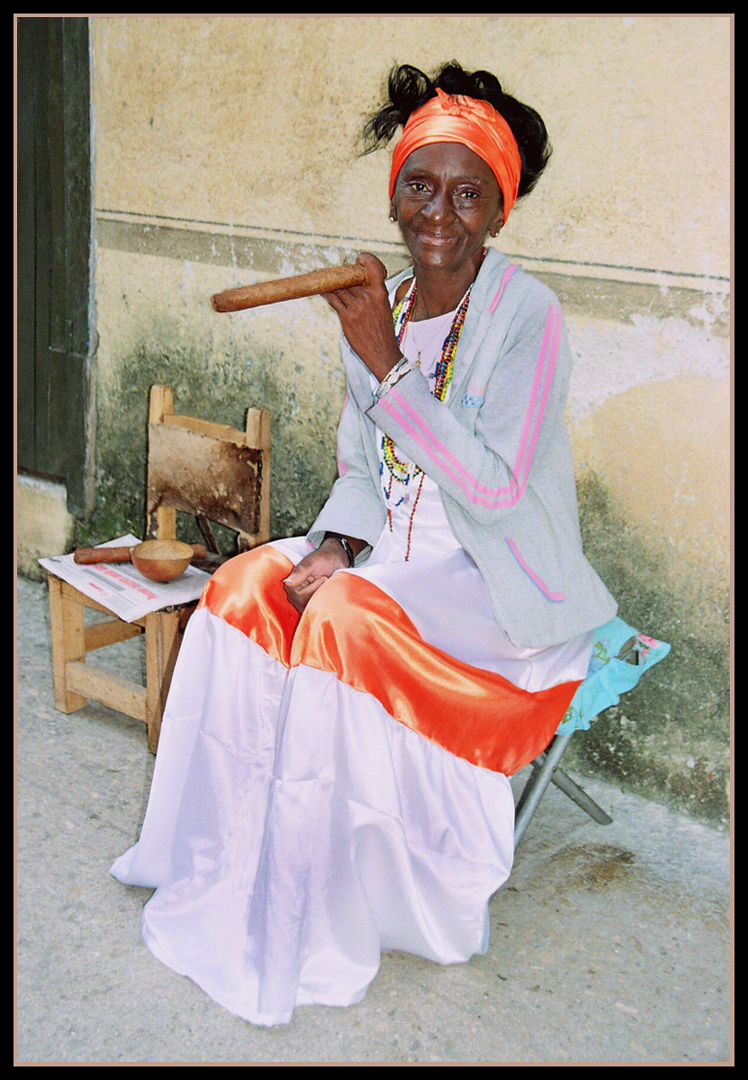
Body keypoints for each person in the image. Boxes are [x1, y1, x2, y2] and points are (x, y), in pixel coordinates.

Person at [111, 61, 617, 1027]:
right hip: (393, 568)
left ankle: (328, 909)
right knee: (248, 585)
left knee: (337, 618)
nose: (440, 213)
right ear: (395, 193)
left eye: (469, 194)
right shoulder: (374, 301)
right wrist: (338, 540)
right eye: (419, 186)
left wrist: (388, 361)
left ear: (499, 211)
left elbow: (498, 491)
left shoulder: (530, 318)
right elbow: (359, 463)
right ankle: (216, 859)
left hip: (501, 597)